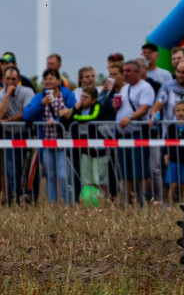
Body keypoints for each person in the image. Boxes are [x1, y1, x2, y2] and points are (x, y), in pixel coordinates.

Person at [22, 68, 76, 205]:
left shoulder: (67, 95)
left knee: (64, 176)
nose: (47, 81)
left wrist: (58, 122)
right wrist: (41, 104)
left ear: (58, 81)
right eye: (45, 78)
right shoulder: (39, 97)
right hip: (46, 143)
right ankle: (53, 205)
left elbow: (73, 112)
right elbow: (26, 115)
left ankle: (67, 204)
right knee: (50, 176)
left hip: (63, 142)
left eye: (51, 78)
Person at [114, 59, 155, 206]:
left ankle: (145, 202)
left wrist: (129, 118)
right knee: (127, 173)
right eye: (124, 71)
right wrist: (115, 107)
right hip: (123, 136)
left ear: (137, 71)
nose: (125, 73)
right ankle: (130, 205)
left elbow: (144, 108)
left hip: (137, 135)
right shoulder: (125, 88)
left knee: (141, 172)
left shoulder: (145, 87)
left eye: (128, 70)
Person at [67, 85, 109, 200]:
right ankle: (91, 203)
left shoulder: (97, 107)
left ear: (93, 100)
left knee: (99, 180)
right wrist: (75, 110)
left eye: (86, 97)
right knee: (87, 180)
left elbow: (93, 118)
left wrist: (75, 117)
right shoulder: (78, 108)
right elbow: (66, 119)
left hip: (99, 151)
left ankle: (105, 202)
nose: (82, 99)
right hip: (85, 150)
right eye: (82, 96)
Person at [0, 66, 35, 204]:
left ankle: (26, 197)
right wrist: (7, 94)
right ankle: (15, 199)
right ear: (3, 79)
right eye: (7, 79)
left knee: (25, 169)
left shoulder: (27, 91)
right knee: (11, 169)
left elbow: (25, 113)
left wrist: (7, 121)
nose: (10, 82)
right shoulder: (2, 94)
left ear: (18, 80)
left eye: (13, 79)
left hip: (25, 134)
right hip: (9, 135)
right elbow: (0, 114)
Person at [163, 100, 184, 205]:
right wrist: (165, 155)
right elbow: (166, 142)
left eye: (183, 110)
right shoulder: (171, 127)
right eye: (178, 110)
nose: (180, 112)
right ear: (174, 113)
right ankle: (170, 205)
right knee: (173, 184)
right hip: (173, 161)